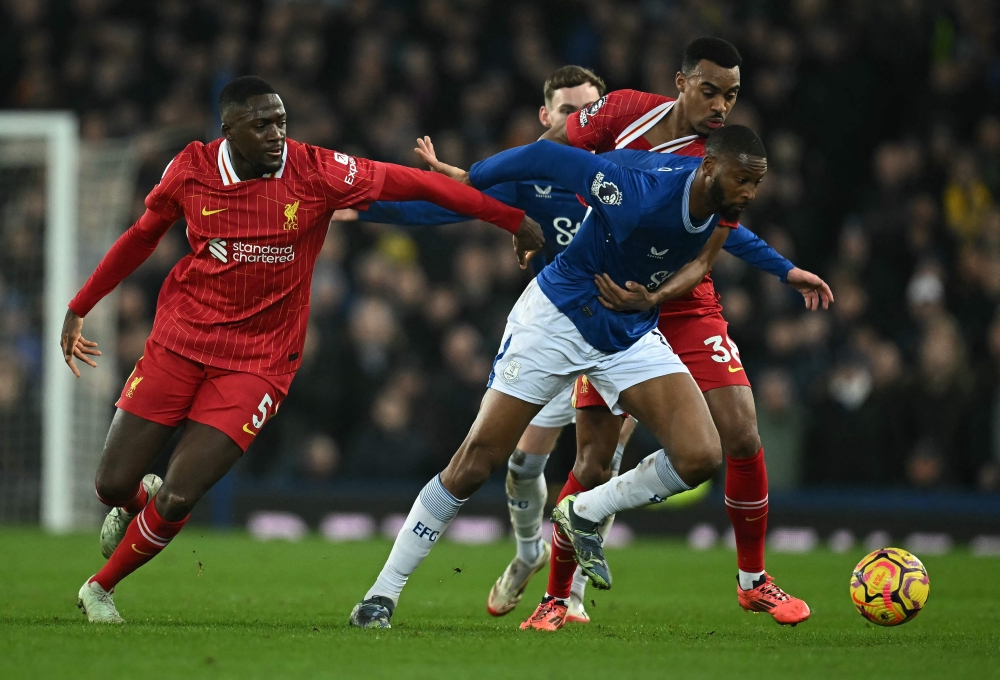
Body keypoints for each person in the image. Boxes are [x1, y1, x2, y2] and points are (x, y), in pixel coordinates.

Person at [63, 75, 542, 624]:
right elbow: (143, 235)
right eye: (262, 124)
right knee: (110, 484)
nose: (276, 134)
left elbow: (414, 184)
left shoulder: (315, 170)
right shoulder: (190, 169)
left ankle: (101, 588)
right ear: (229, 130)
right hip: (179, 341)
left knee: (179, 494)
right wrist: (81, 305)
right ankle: (133, 505)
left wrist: (509, 218)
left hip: (259, 362)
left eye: (282, 122)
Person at [349, 65, 811, 625]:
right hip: (559, 319)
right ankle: (382, 593)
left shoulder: (724, 202)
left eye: (756, 185)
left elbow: (703, 261)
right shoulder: (634, 189)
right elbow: (545, 159)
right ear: (710, 168)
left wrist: (668, 295)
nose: (750, 195)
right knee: (477, 463)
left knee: (703, 455)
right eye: (744, 182)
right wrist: (474, 176)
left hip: (626, 331)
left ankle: (582, 512)